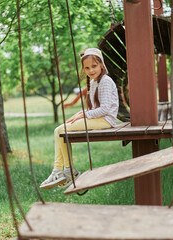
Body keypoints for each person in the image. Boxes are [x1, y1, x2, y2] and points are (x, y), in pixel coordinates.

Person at [40, 48, 119, 190]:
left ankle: (67, 171)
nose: (91, 70)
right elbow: (94, 108)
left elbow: (105, 109)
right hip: (99, 118)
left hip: (105, 121)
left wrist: (83, 115)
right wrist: (80, 113)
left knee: (61, 130)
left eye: (94, 66)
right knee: (59, 130)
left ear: (101, 65)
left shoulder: (105, 81)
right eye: (87, 68)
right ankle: (60, 170)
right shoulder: (94, 82)